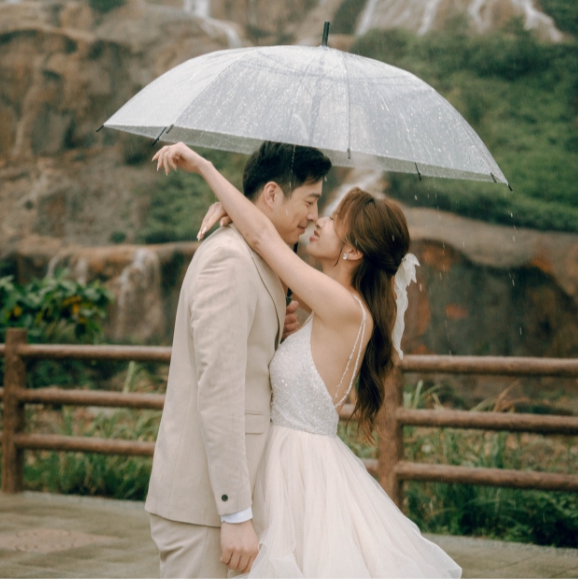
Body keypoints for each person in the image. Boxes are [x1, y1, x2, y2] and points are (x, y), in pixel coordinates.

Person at [154, 141, 460, 578]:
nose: (318, 219)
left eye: (332, 217)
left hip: (295, 470)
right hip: (298, 463)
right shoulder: (337, 303)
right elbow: (268, 250)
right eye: (317, 205)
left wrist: (207, 171)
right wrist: (240, 213)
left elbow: (263, 238)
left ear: (353, 251)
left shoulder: (340, 303)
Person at [145, 141, 331, 578]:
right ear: (271, 195)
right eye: (310, 200)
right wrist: (234, 514)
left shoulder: (258, 257)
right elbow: (219, 391)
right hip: (205, 506)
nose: (314, 216)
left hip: (229, 502)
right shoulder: (229, 262)